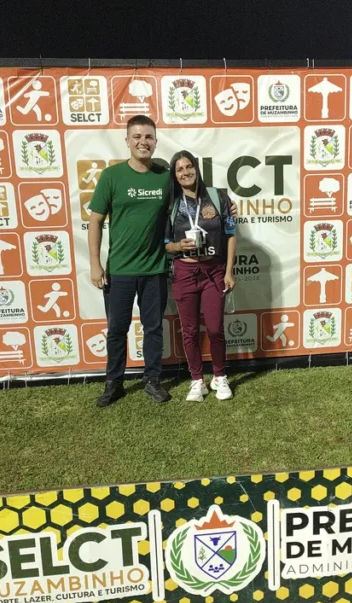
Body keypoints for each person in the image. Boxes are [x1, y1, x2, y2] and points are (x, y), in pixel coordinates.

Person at [88, 115, 171, 406]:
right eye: (137, 137)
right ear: (127, 141)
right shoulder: (111, 176)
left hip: (155, 269)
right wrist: (95, 263)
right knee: (116, 331)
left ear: (156, 142)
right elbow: (95, 221)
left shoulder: (165, 176)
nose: (143, 142)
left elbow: (194, 197)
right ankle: (114, 383)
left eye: (148, 137)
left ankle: (152, 380)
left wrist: (224, 205)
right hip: (119, 271)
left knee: (153, 329)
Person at [165, 151, 237, 401]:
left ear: (196, 168)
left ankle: (219, 376)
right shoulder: (171, 203)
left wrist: (229, 271)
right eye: (179, 169)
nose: (185, 172)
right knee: (190, 330)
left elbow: (230, 234)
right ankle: (197, 380)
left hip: (214, 271)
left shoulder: (218, 197)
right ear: (174, 175)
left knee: (215, 329)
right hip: (184, 272)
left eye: (189, 167)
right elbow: (164, 244)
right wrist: (177, 246)